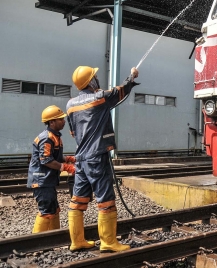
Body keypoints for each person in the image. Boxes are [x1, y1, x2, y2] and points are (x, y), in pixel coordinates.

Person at [66, 66, 139, 252]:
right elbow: (119, 91)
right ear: (90, 82)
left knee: (78, 201)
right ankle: (108, 242)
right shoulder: (99, 99)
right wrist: (132, 77)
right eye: (95, 77)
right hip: (97, 156)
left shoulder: (70, 105)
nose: (97, 79)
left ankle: (77, 241)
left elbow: (73, 132)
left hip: (81, 157)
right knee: (106, 199)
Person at [27, 105, 77, 233]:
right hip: (41, 181)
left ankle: (55, 239)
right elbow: (46, 160)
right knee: (46, 211)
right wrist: (65, 167)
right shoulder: (46, 138)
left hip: (47, 180)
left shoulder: (55, 137)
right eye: (60, 119)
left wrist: (69, 159)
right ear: (52, 122)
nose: (63, 121)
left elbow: (56, 156)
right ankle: (36, 243)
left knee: (54, 209)